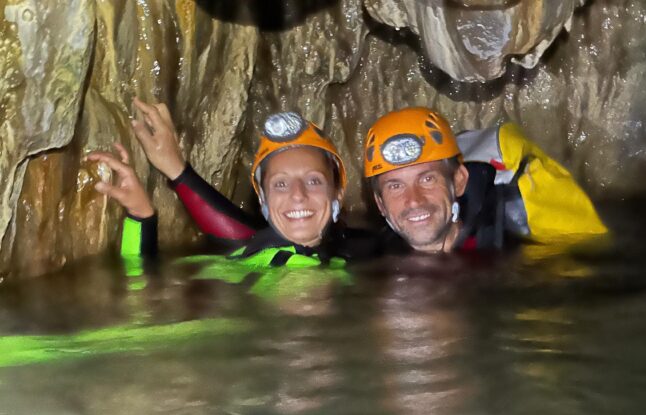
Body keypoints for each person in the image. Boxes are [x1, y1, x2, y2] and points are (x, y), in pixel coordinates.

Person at [91, 105, 364, 268]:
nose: (298, 195)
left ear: (338, 192)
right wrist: (140, 216)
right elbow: (138, 281)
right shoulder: (253, 259)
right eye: (280, 184)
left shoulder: (354, 254)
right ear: (263, 200)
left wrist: (141, 217)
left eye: (314, 181)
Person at [363, 107, 609, 254]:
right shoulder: (373, 261)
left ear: (459, 181)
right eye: (395, 186)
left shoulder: (510, 246)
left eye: (427, 179)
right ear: (380, 204)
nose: (414, 200)